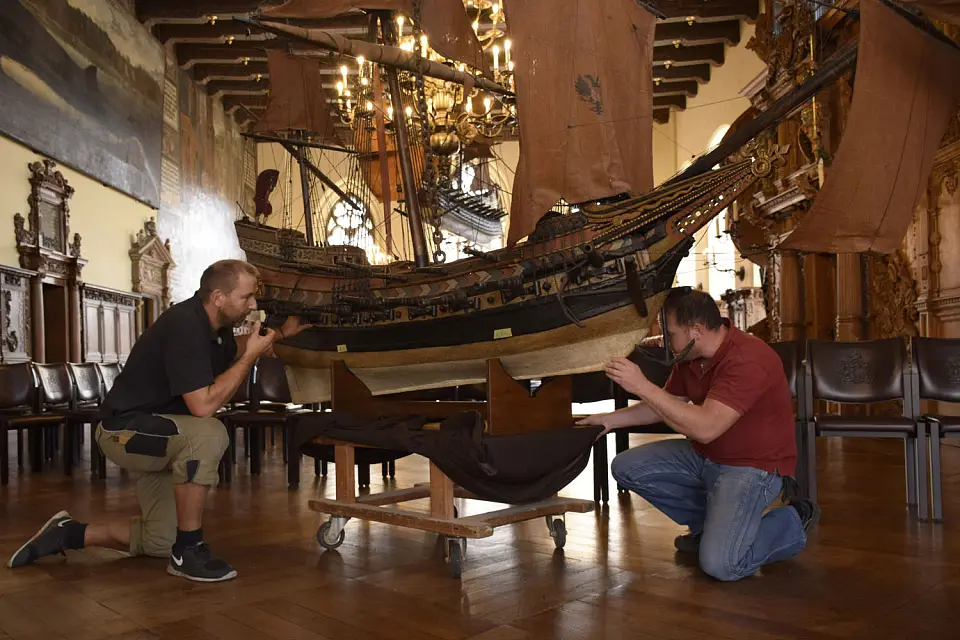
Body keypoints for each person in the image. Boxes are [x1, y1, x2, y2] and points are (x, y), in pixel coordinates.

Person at [7, 259, 311, 582]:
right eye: (246, 297)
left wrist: (278, 335)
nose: (253, 305)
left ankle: (68, 534)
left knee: (159, 540)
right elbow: (203, 406)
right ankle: (188, 552)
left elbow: (237, 349)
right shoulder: (185, 326)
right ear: (219, 297)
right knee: (209, 433)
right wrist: (251, 357)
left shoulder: (213, 330)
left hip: (158, 430)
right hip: (121, 431)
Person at [579, 287, 819, 582]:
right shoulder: (691, 357)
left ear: (696, 330)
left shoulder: (748, 359)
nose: (666, 341)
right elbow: (662, 406)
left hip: (752, 467)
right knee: (627, 467)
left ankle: (792, 522)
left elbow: (705, 429)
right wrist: (607, 421)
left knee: (722, 565)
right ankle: (708, 528)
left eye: (671, 333)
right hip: (708, 457)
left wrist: (641, 385)